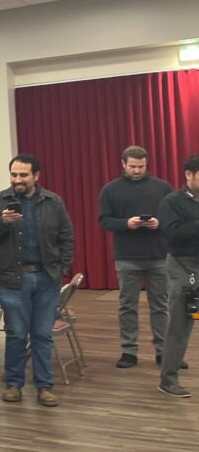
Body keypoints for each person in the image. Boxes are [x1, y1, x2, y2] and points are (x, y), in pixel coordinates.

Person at [0, 153, 74, 407]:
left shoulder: (53, 202)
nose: (17, 179)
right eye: (14, 174)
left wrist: (62, 268)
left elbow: (66, 237)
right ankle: (14, 384)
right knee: (16, 334)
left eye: (23, 175)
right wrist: (2, 222)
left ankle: (44, 386)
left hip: (46, 278)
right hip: (12, 279)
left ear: (36, 176)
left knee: (43, 334)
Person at [98, 145, 174, 369]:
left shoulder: (162, 187)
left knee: (161, 305)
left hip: (159, 255)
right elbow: (103, 220)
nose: (137, 170)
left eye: (140, 166)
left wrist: (159, 223)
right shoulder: (110, 190)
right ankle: (128, 351)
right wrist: (126, 223)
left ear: (146, 164)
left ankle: (164, 351)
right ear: (123, 164)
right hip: (127, 256)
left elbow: (174, 218)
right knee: (127, 305)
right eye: (132, 166)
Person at [157, 154, 199, 398]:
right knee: (180, 325)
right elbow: (173, 234)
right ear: (188, 174)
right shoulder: (172, 201)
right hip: (184, 265)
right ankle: (168, 379)